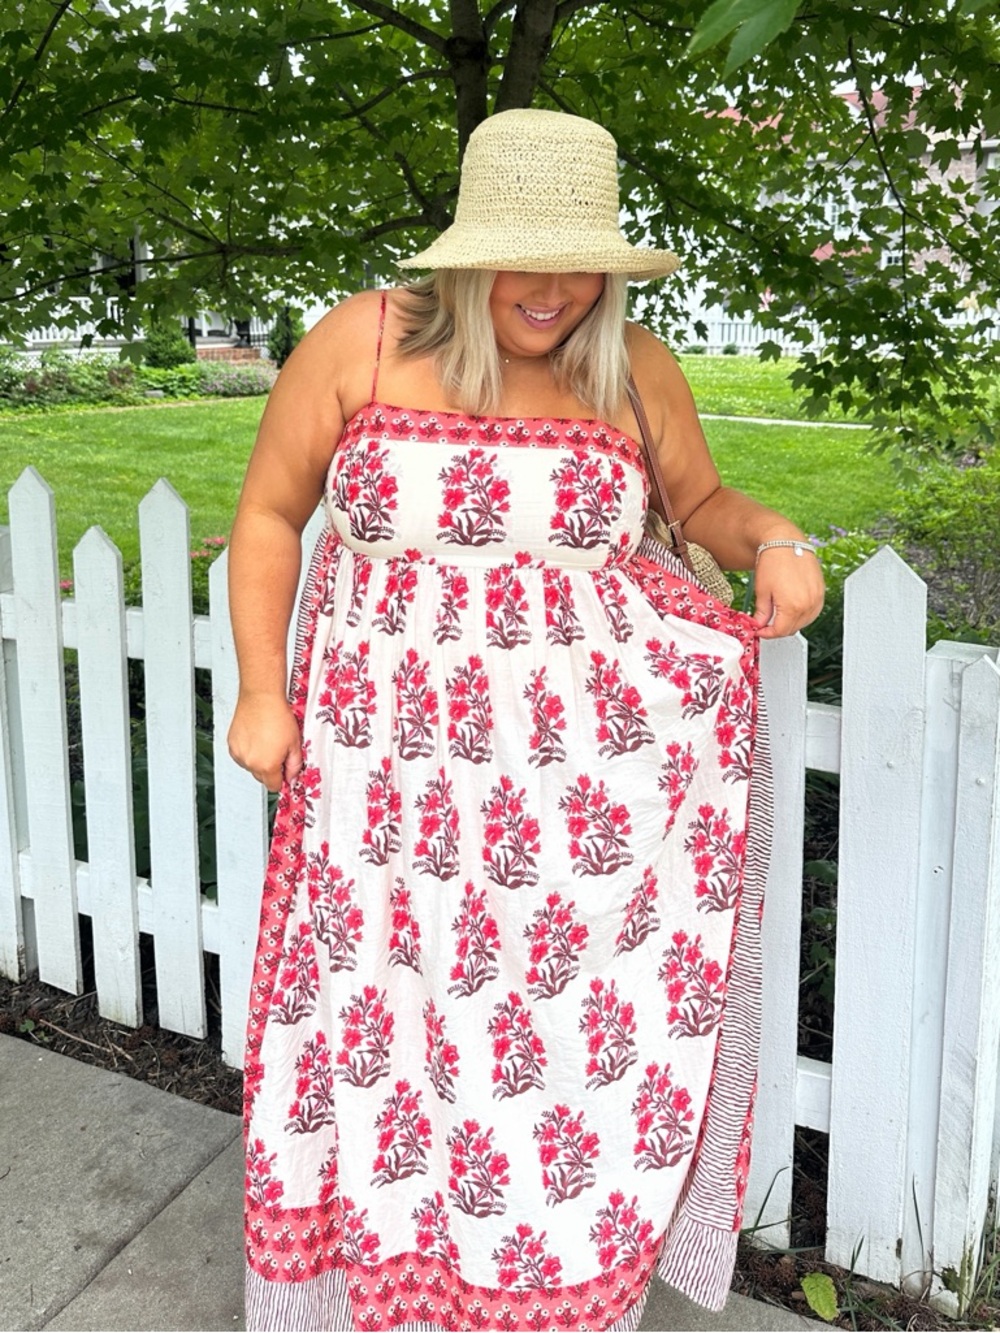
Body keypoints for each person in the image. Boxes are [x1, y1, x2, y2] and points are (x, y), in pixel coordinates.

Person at [228, 108, 824, 1333]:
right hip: (383, 789)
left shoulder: (632, 368)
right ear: (466, 252)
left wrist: (776, 536)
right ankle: (387, 1291)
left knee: (540, 1055)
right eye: (522, 258)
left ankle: (532, 1297)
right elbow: (271, 514)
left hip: (566, 805)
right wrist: (259, 688)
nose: (552, 291)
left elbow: (700, 504)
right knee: (384, 1025)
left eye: (579, 264)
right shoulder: (359, 342)